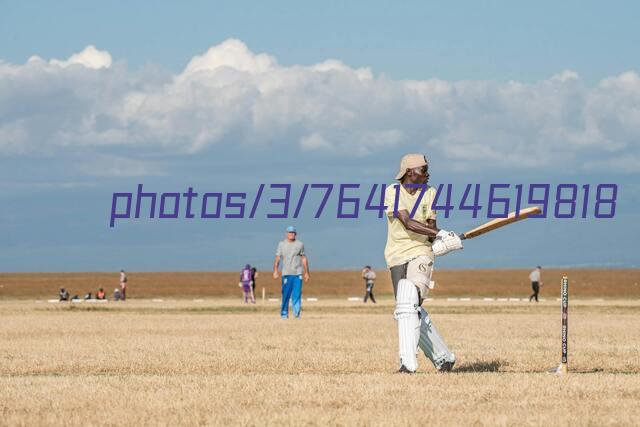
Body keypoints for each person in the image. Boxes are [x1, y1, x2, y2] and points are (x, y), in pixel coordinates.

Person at [384, 153, 463, 373]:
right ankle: (443, 358)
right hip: (396, 253)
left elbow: (430, 226)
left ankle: (407, 365)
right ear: (410, 172)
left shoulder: (431, 193)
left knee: (409, 300)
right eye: (423, 170)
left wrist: (440, 243)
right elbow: (407, 222)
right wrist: (442, 233)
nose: (428, 174)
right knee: (407, 309)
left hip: (420, 251)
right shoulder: (392, 192)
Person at [273, 225, 310, 318]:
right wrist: (275, 270)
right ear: (286, 234)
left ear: (295, 234)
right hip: (286, 273)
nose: (291, 234)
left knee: (297, 294)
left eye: (293, 232)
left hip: (297, 273)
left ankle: (297, 314)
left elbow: (304, 258)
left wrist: (306, 272)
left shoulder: (300, 244)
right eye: (290, 232)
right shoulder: (281, 244)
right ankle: (284, 314)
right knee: (285, 295)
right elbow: (278, 258)